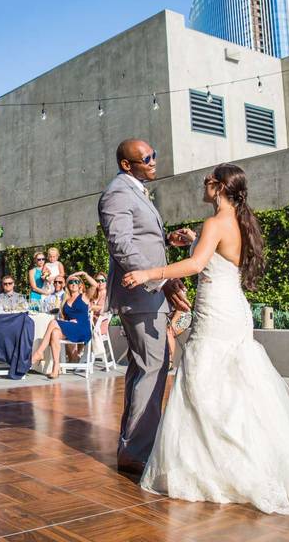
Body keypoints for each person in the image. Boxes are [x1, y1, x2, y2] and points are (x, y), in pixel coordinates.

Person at [123, 163, 289, 514]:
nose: (203, 184)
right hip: (234, 309)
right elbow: (214, 255)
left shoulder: (215, 223)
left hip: (217, 311)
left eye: (207, 181)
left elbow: (197, 266)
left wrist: (148, 272)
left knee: (206, 381)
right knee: (234, 383)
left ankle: (219, 464)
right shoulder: (240, 220)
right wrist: (192, 240)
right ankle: (244, 455)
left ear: (219, 187)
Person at [98, 138, 190, 477]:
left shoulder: (134, 190)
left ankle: (133, 446)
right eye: (146, 157)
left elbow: (137, 236)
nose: (154, 160)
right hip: (141, 296)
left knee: (147, 368)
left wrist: (167, 242)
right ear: (127, 164)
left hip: (148, 295)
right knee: (152, 367)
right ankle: (136, 451)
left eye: (154, 153)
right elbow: (120, 244)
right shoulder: (118, 192)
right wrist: (161, 280)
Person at [31, 272, 98, 378]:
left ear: (80, 284)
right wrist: (67, 322)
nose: (74, 283)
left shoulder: (84, 296)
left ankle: (39, 352)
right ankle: (55, 368)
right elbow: (63, 318)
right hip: (71, 328)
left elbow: (95, 285)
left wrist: (83, 274)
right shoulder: (65, 300)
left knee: (53, 322)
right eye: (71, 282)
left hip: (82, 329)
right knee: (55, 333)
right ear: (67, 285)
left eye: (76, 281)